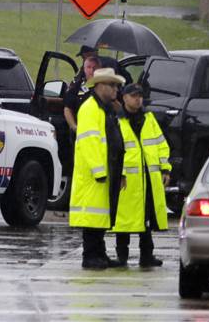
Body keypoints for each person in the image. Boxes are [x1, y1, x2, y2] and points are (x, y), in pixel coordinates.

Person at [70, 67, 126, 269]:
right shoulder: (90, 109)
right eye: (112, 85)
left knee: (101, 216)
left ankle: (99, 253)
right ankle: (90, 255)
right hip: (95, 174)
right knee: (92, 216)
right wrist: (99, 171)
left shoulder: (105, 109)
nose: (116, 90)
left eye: (117, 86)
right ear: (100, 86)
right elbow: (89, 142)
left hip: (105, 171)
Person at [111, 83, 171, 268]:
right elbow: (114, 151)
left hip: (148, 179)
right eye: (134, 95)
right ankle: (122, 256)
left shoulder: (149, 119)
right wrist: (118, 174)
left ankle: (147, 255)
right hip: (127, 180)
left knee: (146, 218)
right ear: (124, 98)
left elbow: (162, 145)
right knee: (124, 221)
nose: (138, 99)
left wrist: (165, 168)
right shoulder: (117, 121)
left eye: (140, 96)